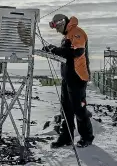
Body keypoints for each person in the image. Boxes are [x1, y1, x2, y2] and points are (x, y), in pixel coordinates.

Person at [42, 13, 94, 148]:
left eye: (56, 27)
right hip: (67, 77)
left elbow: (77, 52)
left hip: (78, 77)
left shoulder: (77, 33)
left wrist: (55, 50)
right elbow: (65, 54)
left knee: (78, 108)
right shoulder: (67, 36)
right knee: (66, 109)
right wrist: (52, 50)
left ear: (62, 22)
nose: (56, 30)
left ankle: (87, 137)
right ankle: (66, 137)